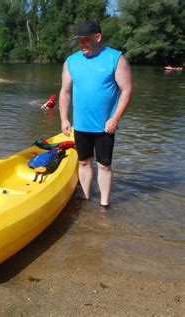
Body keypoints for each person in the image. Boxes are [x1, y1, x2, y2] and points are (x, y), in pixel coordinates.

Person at [59, 20, 133, 209]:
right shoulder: (71, 61)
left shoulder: (115, 58)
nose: (81, 44)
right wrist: (64, 118)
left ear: (98, 37)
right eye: (79, 40)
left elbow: (127, 90)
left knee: (104, 166)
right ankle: (85, 199)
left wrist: (115, 119)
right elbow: (64, 92)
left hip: (105, 126)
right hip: (81, 125)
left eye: (85, 40)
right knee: (83, 163)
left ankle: (104, 205)